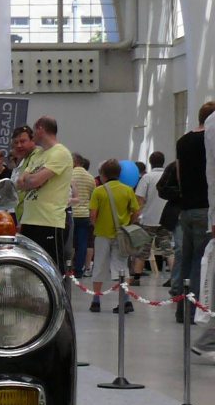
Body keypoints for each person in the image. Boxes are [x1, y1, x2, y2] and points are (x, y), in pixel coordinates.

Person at [174, 101, 214, 322]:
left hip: (187, 207)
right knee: (201, 260)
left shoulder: (183, 141)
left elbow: (180, 175)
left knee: (187, 259)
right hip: (205, 208)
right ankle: (193, 309)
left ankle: (181, 309)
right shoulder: (208, 139)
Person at [14, 116, 73, 266]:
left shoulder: (60, 153)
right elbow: (20, 182)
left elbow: (34, 180)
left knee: (51, 266)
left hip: (49, 222)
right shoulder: (38, 155)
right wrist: (33, 179)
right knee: (29, 267)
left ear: (41, 129)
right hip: (29, 220)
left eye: (33, 131)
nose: (32, 135)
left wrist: (32, 179)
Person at [88, 159, 139, 312]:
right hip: (121, 234)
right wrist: (128, 223)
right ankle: (125, 300)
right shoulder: (128, 190)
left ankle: (96, 300)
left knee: (99, 265)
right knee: (122, 267)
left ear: (102, 174)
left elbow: (93, 214)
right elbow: (136, 211)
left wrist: (97, 225)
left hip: (102, 234)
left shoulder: (99, 191)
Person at [132, 150, 166, 282]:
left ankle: (136, 277)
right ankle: (174, 279)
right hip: (165, 219)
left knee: (143, 250)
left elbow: (139, 198)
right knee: (168, 250)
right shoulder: (168, 175)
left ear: (150, 163)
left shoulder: (147, 177)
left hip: (149, 218)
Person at [68, 152, 94, 278]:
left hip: (71, 212)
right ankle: (79, 270)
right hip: (84, 214)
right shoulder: (90, 178)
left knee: (70, 243)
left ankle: (68, 268)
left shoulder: (69, 175)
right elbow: (92, 198)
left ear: (74, 162)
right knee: (83, 243)